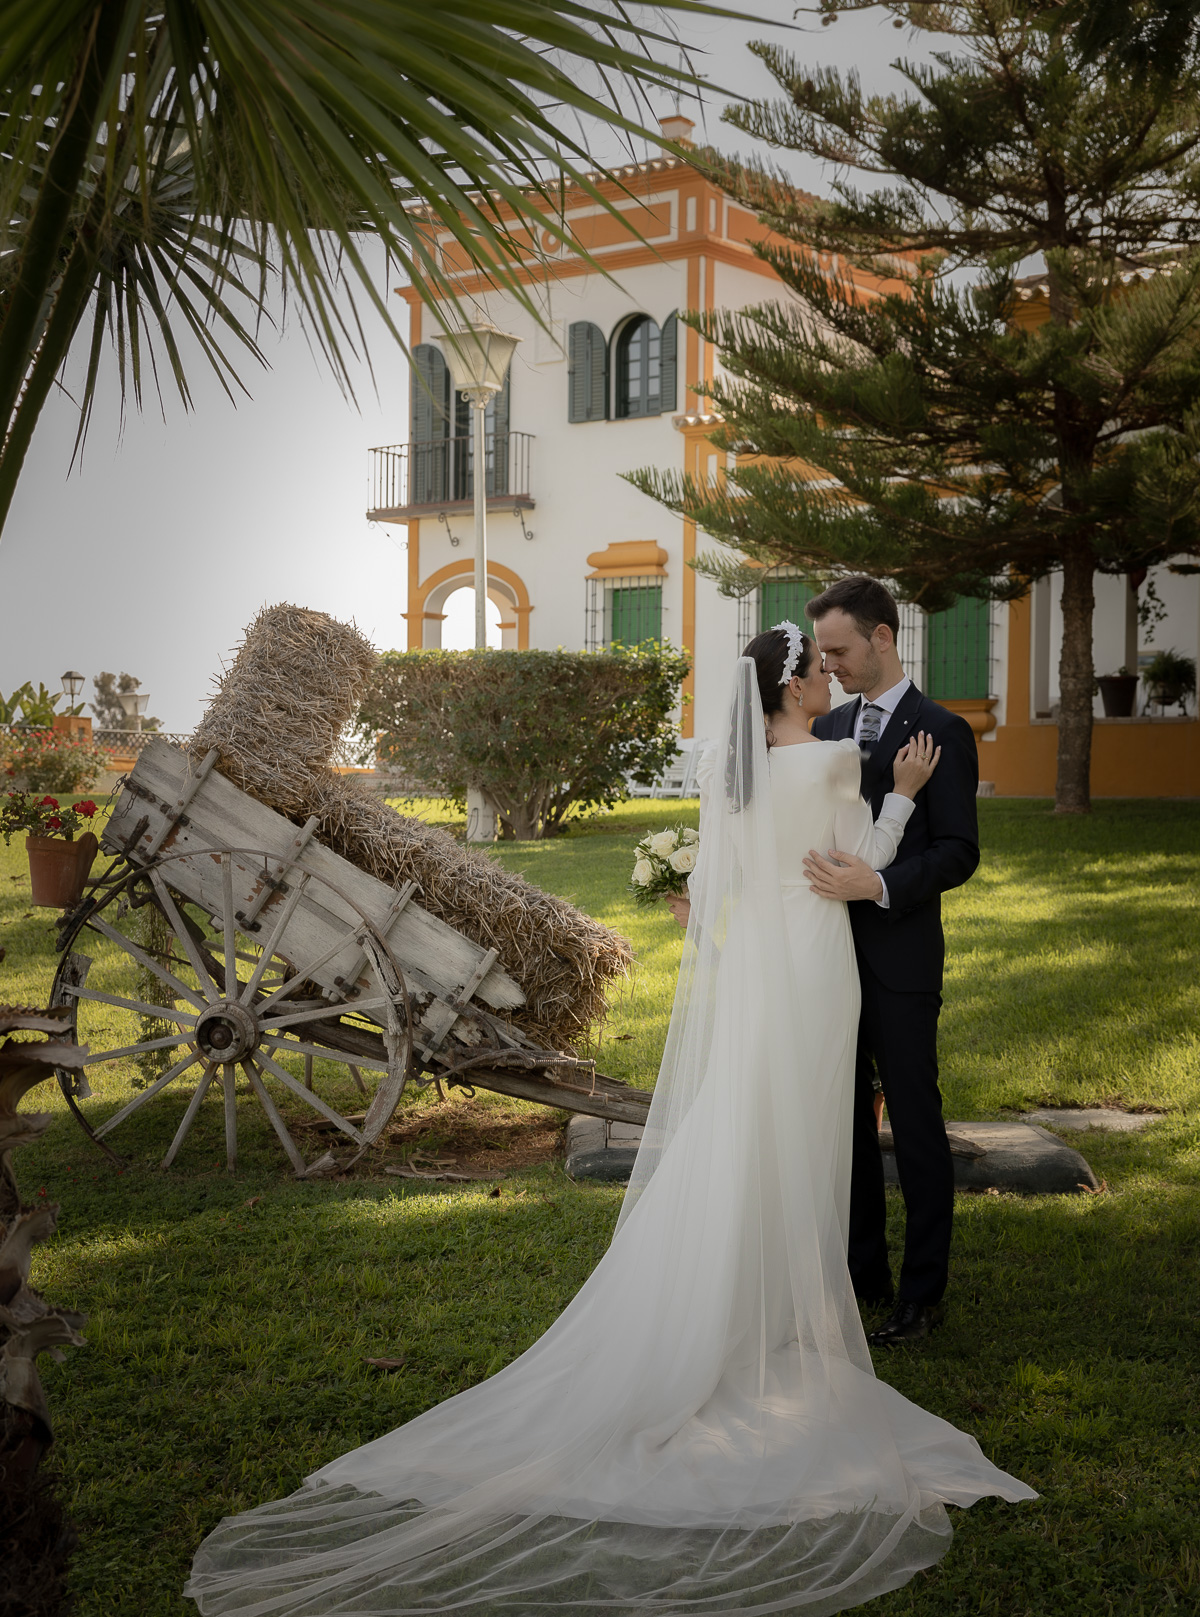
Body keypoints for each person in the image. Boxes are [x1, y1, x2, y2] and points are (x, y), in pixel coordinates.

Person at [186, 628, 1033, 1617]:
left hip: (765, 972)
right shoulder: (836, 760)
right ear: (789, 687)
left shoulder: (733, 770)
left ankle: (737, 1317)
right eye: (817, 670)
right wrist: (902, 793)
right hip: (812, 972)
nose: (830, 680)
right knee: (799, 1144)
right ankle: (779, 1327)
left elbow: (716, 896)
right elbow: (862, 864)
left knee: (751, 1133)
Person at [803, 577, 981, 1347]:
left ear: (882, 637)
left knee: (914, 1123)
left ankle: (921, 1294)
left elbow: (957, 852)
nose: (830, 663)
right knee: (844, 1125)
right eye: (822, 652)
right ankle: (862, 1274)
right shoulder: (825, 725)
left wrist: (878, 883)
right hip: (824, 960)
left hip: (902, 958)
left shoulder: (946, 729)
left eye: (840, 649)